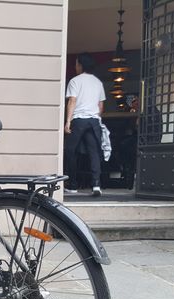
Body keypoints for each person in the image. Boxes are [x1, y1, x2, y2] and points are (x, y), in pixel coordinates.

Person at [64, 53, 106, 196]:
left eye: (76, 64)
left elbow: (72, 101)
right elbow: (100, 106)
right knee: (94, 153)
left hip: (79, 119)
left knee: (71, 151)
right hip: (94, 120)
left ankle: (73, 184)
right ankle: (96, 185)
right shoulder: (98, 83)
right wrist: (95, 117)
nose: (75, 66)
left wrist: (68, 121)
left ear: (80, 65)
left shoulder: (75, 81)